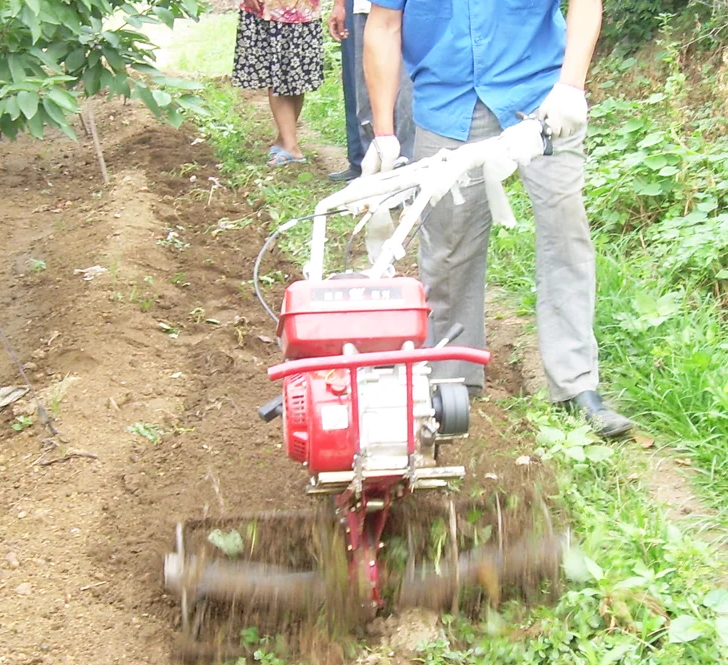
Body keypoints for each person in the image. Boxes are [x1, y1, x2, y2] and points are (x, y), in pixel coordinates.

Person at [362, 0, 632, 438]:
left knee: (565, 234)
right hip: (447, 101)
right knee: (448, 247)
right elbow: (384, 25)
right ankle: (452, 377)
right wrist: (384, 133)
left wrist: (571, 86)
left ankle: (576, 386)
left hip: (541, 97)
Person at [328, 0, 414, 182]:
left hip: (411, 10)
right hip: (364, 9)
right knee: (365, 95)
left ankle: (406, 173)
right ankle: (370, 173)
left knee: (406, 96)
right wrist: (340, 4)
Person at [233, 0, 324, 167]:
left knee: (290, 78)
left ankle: (291, 147)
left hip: (299, 8)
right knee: (285, 76)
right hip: (277, 9)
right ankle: (285, 141)